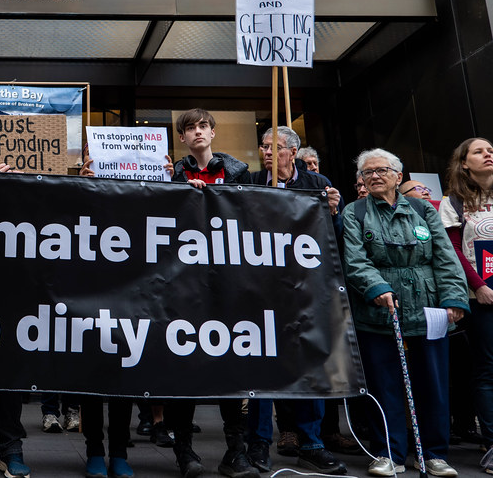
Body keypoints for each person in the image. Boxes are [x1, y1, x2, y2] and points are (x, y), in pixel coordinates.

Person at [343, 148, 468, 477]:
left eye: (382, 170)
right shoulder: (354, 213)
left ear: (399, 177)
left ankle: (433, 454)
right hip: (380, 314)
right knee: (384, 387)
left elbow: (444, 256)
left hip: (428, 310)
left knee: (433, 384)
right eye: (367, 172)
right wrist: (376, 287)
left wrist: (454, 297)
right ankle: (388, 453)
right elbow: (354, 261)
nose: (374, 176)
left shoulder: (422, 209)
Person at [246, 126, 346, 476]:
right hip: (262, 290)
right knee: (261, 365)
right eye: (263, 146)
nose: (268, 152)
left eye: (275, 146)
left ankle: (312, 443)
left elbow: (335, 238)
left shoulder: (319, 185)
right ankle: (258, 442)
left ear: (293, 151)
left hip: (306, 291)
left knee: (309, 363)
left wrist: (333, 212)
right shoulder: (253, 180)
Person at [164, 109, 254, 478]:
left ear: (213, 133)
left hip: (227, 282)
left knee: (228, 366)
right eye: (190, 128)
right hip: (186, 284)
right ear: (182, 138)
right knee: (184, 366)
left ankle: (236, 452)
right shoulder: (173, 177)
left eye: (203, 126)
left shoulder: (239, 173)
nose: (197, 132)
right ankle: (185, 452)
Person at [441, 138, 493, 464]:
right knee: (488, 369)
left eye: (491, 151)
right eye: (479, 151)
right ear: (463, 163)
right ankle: (491, 443)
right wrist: (480, 287)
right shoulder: (454, 201)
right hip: (481, 298)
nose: (488, 154)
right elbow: (453, 250)